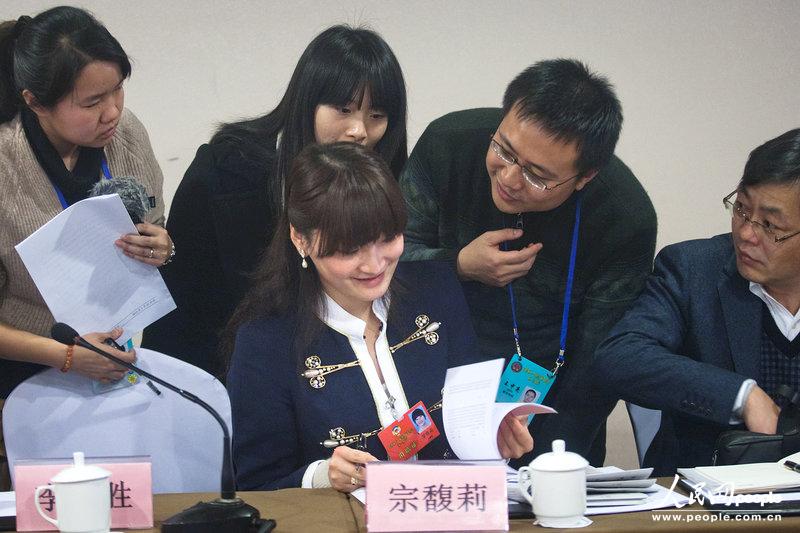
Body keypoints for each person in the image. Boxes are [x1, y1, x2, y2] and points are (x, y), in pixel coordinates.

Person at [226, 142, 532, 492]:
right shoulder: (266, 342)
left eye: (387, 238)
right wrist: (324, 476)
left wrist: (498, 437)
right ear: (301, 239)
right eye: (349, 249)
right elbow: (256, 484)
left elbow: (471, 413)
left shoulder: (436, 290)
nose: (374, 265)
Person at [399, 58, 657, 466]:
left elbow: (598, 361)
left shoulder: (623, 218)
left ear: (585, 177)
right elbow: (386, 263)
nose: (509, 179)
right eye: (504, 150)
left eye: (537, 175)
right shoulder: (447, 144)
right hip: (429, 385)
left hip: (548, 409)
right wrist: (459, 266)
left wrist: (549, 463)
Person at [142, 25, 407, 376]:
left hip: (333, 365)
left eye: (376, 116)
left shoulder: (377, 180)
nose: (359, 130)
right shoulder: (230, 169)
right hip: (226, 364)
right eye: (343, 109)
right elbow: (184, 294)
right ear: (308, 101)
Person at [0, 6, 171, 490]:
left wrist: (162, 245)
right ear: (35, 102)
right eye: (92, 100)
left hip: (125, 357)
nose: (113, 110)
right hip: (29, 375)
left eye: (118, 88)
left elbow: (156, 224)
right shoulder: (5, 166)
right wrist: (68, 357)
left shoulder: (126, 132)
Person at [595, 129, 800, 474]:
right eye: (741, 210)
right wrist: (741, 395)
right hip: (703, 499)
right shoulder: (692, 270)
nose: (747, 234)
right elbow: (620, 355)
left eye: (770, 225)